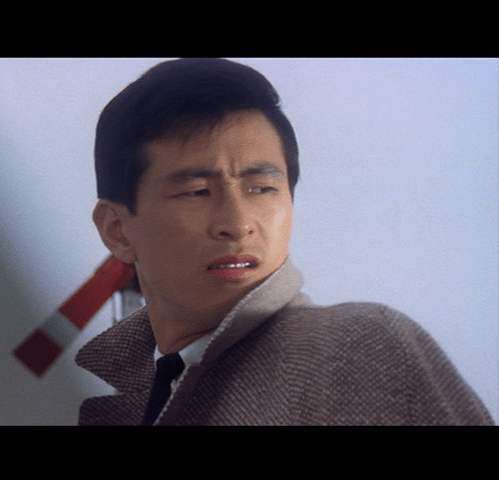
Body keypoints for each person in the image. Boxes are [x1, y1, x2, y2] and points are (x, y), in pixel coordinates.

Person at [76, 58, 494, 425]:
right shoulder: (131, 396)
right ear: (117, 229)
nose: (237, 225)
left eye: (261, 188)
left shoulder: (357, 348)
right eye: (197, 192)